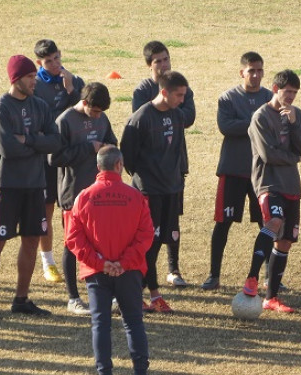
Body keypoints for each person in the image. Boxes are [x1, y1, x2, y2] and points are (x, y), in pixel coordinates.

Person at [0, 55, 62, 320]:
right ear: (16, 79)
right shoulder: (0, 108)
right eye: (30, 77)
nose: (34, 81)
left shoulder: (40, 106)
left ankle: (21, 299)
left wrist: (27, 139)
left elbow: (55, 142)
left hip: (35, 184)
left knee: (31, 241)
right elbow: (8, 149)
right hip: (7, 185)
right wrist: (36, 141)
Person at [66, 145, 153, 375]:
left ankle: (104, 371)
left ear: (98, 166)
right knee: (133, 322)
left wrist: (100, 263)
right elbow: (145, 235)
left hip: (97, 273)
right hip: (129, 271)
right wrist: (124, 263)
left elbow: (73, 238)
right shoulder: (136, 197)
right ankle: (140, 370)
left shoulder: (83, 197)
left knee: (100, 324)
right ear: (119, 165)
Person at [241, 69, 301, 313]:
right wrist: (295, 157)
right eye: (286, 92)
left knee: (285, 241)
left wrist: (293, 125)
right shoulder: (260, 116)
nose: (290, 96)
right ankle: (251, 278)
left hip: (291, 184)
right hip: (268, 182)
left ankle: (271, 297)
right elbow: (268, 154)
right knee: (274, 221)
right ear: (275, 89)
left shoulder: (296, 115)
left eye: (294, 92)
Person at [201, 52, 273, 291]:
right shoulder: (228, 98)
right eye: (251, 70)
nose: (256, 75)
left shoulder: (269, 97)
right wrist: (256, 122)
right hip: (232, 170)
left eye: (260, 70)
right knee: (223, 223)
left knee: (267, 223)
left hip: (261, 173)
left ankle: (270, 275)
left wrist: (251, 123)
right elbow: (226, 126)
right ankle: (214, 275)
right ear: (241, 72)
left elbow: (273, 128)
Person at [121, 70, 189, 313]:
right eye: (179, 95)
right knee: (146, 244)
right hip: (148, 191)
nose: (182, 100)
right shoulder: (141, 118)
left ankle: (148, 294)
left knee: (160, 241)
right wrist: (146, 181)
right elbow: (128, 158)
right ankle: (141, 294)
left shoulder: (178, 115)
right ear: (164, 92)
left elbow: (178, 149)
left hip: (171, 189)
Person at [132, 40, 196, 288]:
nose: (163, 64)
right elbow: (142, 124)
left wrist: (172, 110)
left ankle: (174, 269)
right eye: (158, 60)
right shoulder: (142, 91)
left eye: (166, 58)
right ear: (150, 64)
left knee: (173, 220)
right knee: (150, 226)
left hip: (175, 166)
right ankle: (146, 272)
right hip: (150, 174)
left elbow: (189, 117)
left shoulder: (181, 85)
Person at [50, 82, 117, 314]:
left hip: (100, 193)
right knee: (72, 244)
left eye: (101, 112)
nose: (98, 116)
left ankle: (106, 293)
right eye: (95, 111)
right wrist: (90, 148)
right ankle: (73, 298)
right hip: (73, 193)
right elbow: (55, 157)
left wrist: (107, 147)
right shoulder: (65, 121)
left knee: (101, 242)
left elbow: (112, 142)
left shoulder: (102, 118)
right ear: (85, 103)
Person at [33, 39, 85, 283]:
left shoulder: (73, 81)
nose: (55, 64)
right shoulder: (34, 86)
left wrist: (71, 90)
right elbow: (48, 123)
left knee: (74, 210)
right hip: (45, 159)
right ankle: (48, 262)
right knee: (46, 209)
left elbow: (82, 113)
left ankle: (78, 258)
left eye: (57, 58)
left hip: (69, 158)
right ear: (38, 63)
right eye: (48, 61)